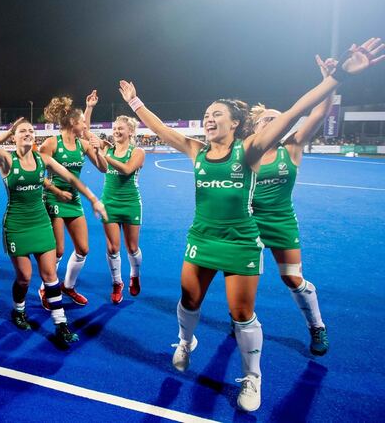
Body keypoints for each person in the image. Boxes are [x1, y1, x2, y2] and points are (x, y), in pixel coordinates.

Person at [117, 36, 382, 412]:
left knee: (244, 312)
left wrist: (336, 78)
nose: (209, 118)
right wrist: (135, 103)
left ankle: (252, 378)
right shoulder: (197, 150)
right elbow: (162, 131)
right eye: (206, 114)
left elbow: (294, 113)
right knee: (189, 299)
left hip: (244, 239)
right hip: (202, 238)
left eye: (217, 114)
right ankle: (185, 341)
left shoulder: (252, 150)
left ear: (236, 123)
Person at [0, 90, 107, 344]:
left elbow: (71, 178)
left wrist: (93, 200)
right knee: (24, 277)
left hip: (41, 222)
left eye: (31, 132)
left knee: (49, 276)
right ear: (16, 137)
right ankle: (18, 309)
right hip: (17, 225)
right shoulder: (6, 161)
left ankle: (60, 324)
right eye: (23, 132)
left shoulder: (43, 159)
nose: (28, 134)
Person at [248, 55, 340, 355]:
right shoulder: (245, 152)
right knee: (244, 276)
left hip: (281, 222)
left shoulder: (292, 146)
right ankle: (242, 318)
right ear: (254, 127)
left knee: (292, 277)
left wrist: (329, 81)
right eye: (267, 120)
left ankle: (317, 326)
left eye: (278, 119)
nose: (275, 123)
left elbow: (318, 113)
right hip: (249, 224)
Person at [38, 91, 105, 307]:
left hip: (74, 200)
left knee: (83, 249)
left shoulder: (83, 145)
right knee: (57, 250)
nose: (86, 127)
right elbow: (37, 176)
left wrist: (98, 150)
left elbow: (103, 168)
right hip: (54, 199)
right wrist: (56, 191)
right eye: (83, 124)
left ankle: (68, 286)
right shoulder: (51, 143)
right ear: (73, 122)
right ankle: (45, 288)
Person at [96, 116, 145, 303]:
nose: (116, 131)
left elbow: (126, 169)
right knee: (112, 247)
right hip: (109, 203)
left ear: (130, 132)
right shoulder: (108, 147)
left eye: (121, 128)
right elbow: (85, 132)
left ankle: (134, 275)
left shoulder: (138, 152)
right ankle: (117, 283)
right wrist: (90, 108)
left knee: (132, 248)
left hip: (131, 203)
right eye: (114, 128)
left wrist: (105, 155)